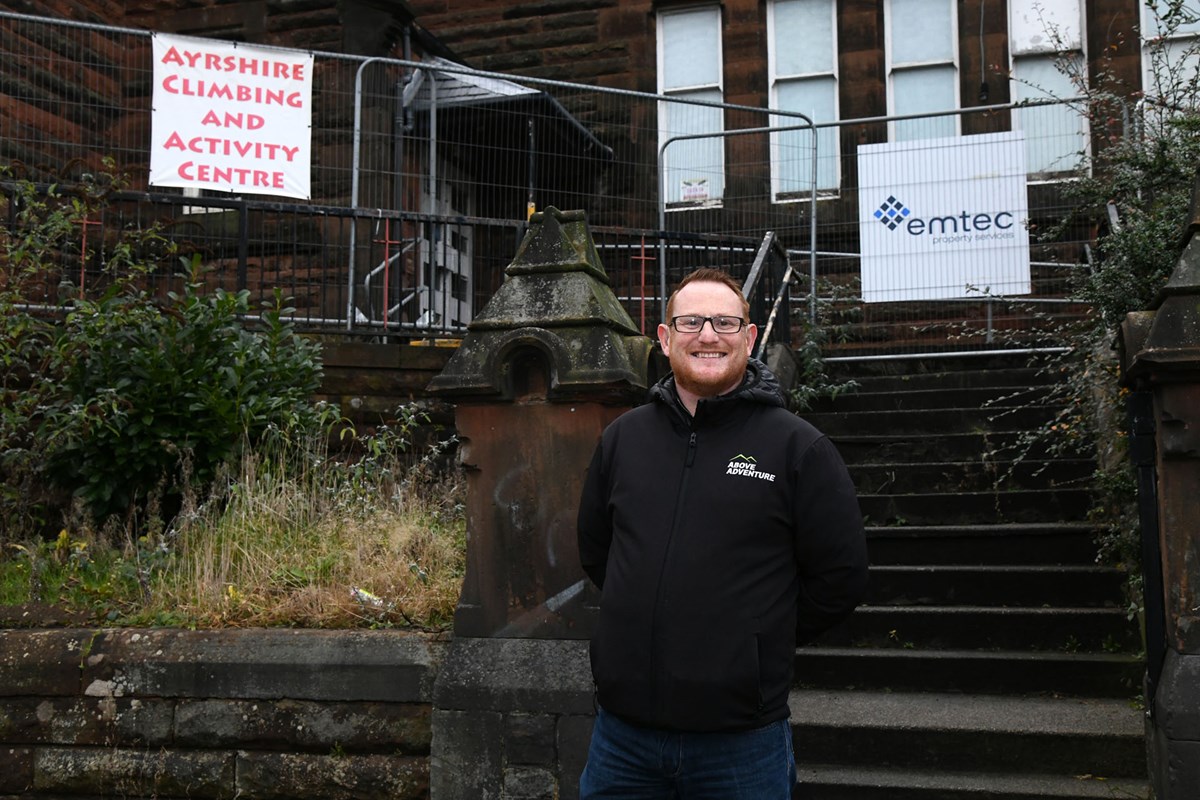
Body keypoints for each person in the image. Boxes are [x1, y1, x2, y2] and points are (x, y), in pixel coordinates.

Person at [576, 267, 869, 799]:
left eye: (725, 322)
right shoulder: (623, 439)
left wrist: (756, 637)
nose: (708, 335)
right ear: (665, 339)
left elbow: (841, 577)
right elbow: (598, 553)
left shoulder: (797, 447)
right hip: (622, 742)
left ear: (750, 338)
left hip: (741, 748)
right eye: (690, 321)